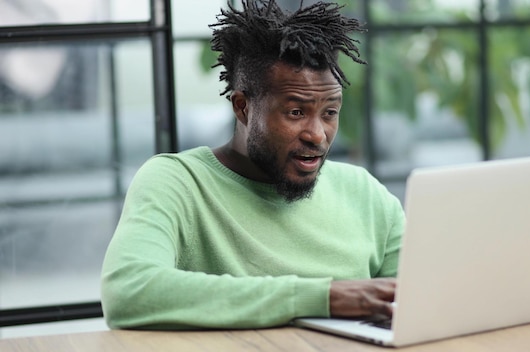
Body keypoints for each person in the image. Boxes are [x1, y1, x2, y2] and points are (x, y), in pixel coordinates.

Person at [100, 0, 405, 330]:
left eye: (329, 113)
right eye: (296, 112)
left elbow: (425, 298)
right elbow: (129, 291)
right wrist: (322, 298)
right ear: (243, 107)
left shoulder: (364, 193)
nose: (318, 136)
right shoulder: (178, 183)